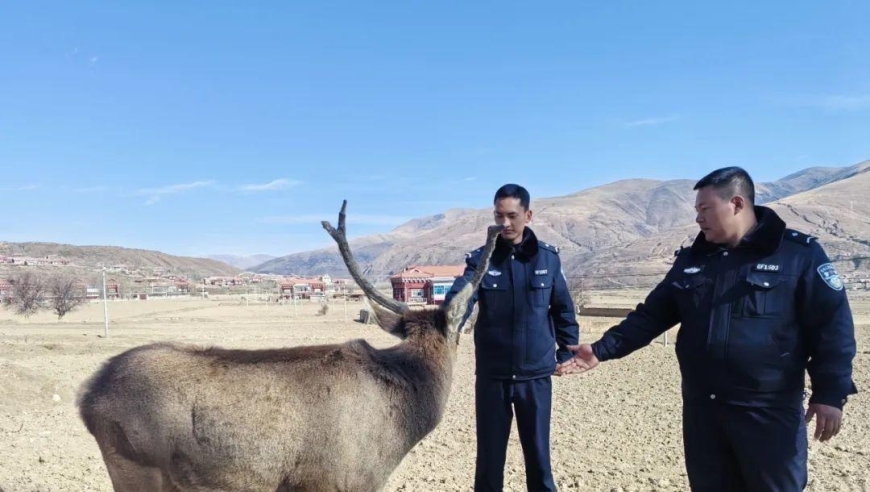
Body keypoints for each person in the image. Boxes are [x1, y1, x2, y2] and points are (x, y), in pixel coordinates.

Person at [560, 166, 858, 491]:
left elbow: (832, 327)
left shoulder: (797, 255)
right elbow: (651, 316)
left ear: (737, 204)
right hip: (705, 411)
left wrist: (830, 393)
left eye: (705, 209)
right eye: (697, 210)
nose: (699, 219)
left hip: (767, 412)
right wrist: (601, 350)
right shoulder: (693, 260)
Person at [445, 183, 579, 492]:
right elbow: (462, 296)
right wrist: (446, 322)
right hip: (494, 377)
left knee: (538, 458)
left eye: (511, 216)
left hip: (535, 376)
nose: (504, 224)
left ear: (528, 215)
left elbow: (563, 310)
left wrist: (566, 352)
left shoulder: (548, 259)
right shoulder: (482, 260)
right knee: (489, 462)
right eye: (498, 216)